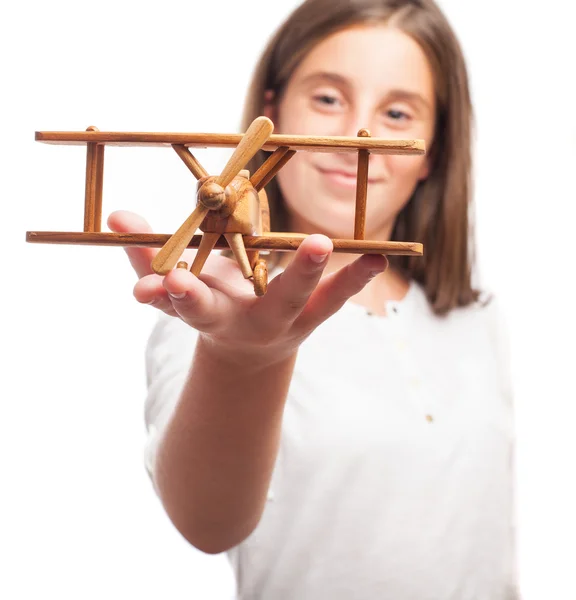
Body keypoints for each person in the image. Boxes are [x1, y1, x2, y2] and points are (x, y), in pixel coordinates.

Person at [108, 0, 518, 598]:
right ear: (271, 114)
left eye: (398, 112)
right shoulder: (212, 308)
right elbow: (207, 522)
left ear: (432, 151)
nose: (359, 135)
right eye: (328, 98)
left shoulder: (472, 320)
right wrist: (243, 358)